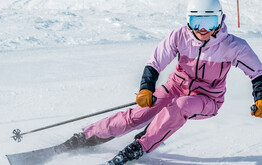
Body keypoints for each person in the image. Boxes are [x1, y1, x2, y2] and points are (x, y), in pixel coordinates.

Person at [58, 0, 262, 164]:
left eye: (209, 23)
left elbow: (257, 73)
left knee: (179, 107)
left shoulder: (234, 47)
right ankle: (84, 137)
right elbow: (155, 62)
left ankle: (140, 146)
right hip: (175, 87)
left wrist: (260, 98)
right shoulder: (180, 36)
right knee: (138, 115)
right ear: (188, 21)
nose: (202, 29)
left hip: (207, 99)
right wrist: (146, 89)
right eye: (195, 22)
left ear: (219, 20)